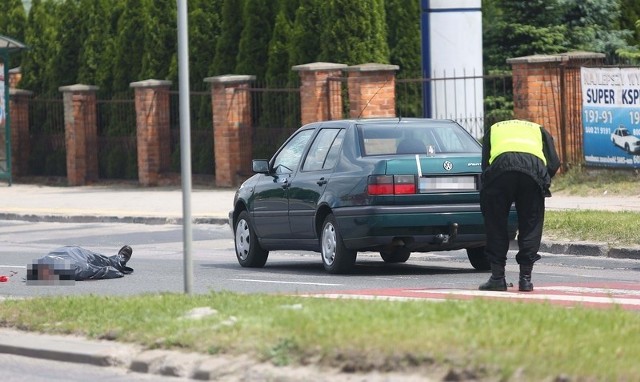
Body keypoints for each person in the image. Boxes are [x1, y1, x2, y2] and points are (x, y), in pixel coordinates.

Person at [479, 119, 560, 292]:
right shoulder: (539, 130)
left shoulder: (494, 129)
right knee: (532, 222)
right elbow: (554, 163)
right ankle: (525, 279)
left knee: (495, 222)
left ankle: (497, 278)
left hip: (501, 170)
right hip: (532, 171)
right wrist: (542, 179)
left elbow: (485, 165)